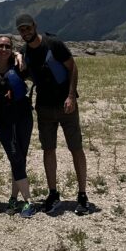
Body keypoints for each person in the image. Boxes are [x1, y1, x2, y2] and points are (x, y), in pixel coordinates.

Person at [16, 13, 90, 216]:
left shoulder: (53, 44)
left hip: (66, 105)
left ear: (35, 26)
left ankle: (82, 194)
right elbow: (19, 63)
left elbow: (72, 67)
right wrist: (18, 55)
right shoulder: (25, 51)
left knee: (76, 148)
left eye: (28, 28)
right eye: (22, 30)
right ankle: (53, 193)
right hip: (44, 107)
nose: (25, 32)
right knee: (48, 149)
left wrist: (71, 96)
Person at [0, 35, 35, 217]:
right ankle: (29, 201)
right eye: (1, 46)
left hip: (23, 116)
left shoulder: (19, 66)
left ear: (11, 49)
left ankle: (14, 197)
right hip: (2, 119)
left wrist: (20, 55)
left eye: (7, 46)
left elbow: (37, 72)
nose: (4, 49)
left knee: (20, 157)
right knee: (15, 156)